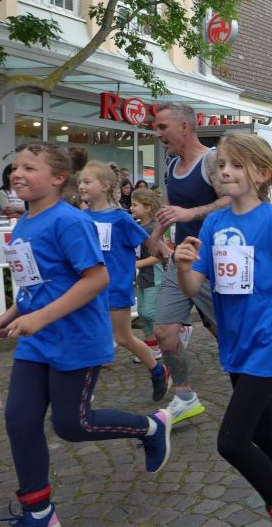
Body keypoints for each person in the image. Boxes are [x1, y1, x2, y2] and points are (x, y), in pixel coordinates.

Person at [0, 142, 171, 526]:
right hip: (36, 342)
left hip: (75, 339)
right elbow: (33, 283)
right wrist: (9, 314)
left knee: (73, 425)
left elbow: (97, 279)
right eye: (16, 167)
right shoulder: (25, 222)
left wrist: (40, 317)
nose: (17, 173)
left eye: (29, 167)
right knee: (20, 420)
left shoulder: (69, 221)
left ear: (58, 178)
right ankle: (39, 512)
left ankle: (151, 426)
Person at [174, 132, 272, 526]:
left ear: (262, 173)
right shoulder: (213, 223)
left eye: (236, 165)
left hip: (269, 340)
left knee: (232, 441)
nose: (225, 171)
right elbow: (193, 287)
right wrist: (182, 266)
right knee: (264, 431)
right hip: (235, 341)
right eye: (222, 164)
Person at [147, 102, 229, 424]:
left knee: (228, 332)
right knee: (164, 330)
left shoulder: (211, 161)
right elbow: (170, 207)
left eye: (162, 127)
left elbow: (229, 199)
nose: (157, 134)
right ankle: (184, 395)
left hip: (213, 262)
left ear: (184, 127)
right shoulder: (171, 165)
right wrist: (156, 235)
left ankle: (251, 384)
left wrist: (191, 213)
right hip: (181, 259)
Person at [79, 161, 169, 402]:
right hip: (88, 289)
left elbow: (149, 241)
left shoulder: (121, 219)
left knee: (123, 338)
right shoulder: (80, 218)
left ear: (105, 185)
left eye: (87, 181)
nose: (81, 186)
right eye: (80, 182)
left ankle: (158, 371)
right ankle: (82, 392)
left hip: (115, 287)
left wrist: (163, 249)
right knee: (90, 337)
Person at [131, 188, 165, 360]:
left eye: (135, 205)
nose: (131, 208)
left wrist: (136, 264)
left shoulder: (153, 228)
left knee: (149, 312)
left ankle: (175, 330)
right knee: (143, 314)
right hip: (142, 276)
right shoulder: (137, 226)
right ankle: (152, 347)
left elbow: (159, 256)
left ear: (147, 207)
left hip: (154, 277)